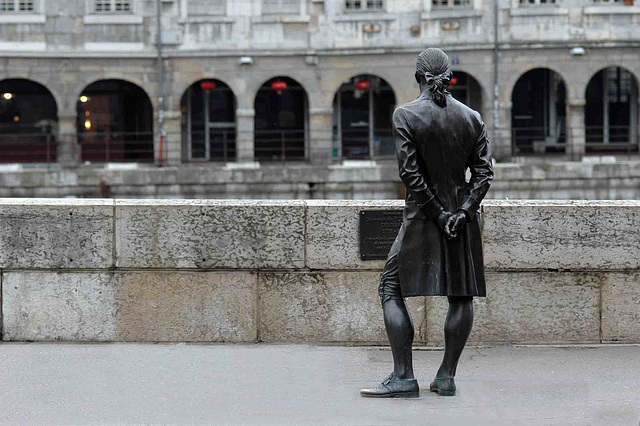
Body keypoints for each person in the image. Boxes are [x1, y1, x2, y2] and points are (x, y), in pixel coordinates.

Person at [360, 48, 494, 398]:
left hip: (422, 216)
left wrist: (437, 213)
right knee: (461, 296)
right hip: (461, 220)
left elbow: (410, 174)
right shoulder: (472, 117)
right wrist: (462, 211)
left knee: (390, 287)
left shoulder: (405, 115)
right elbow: (484, 173)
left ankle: (403, 376)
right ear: (449, 76)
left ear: (418, 76)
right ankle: (446, 375)